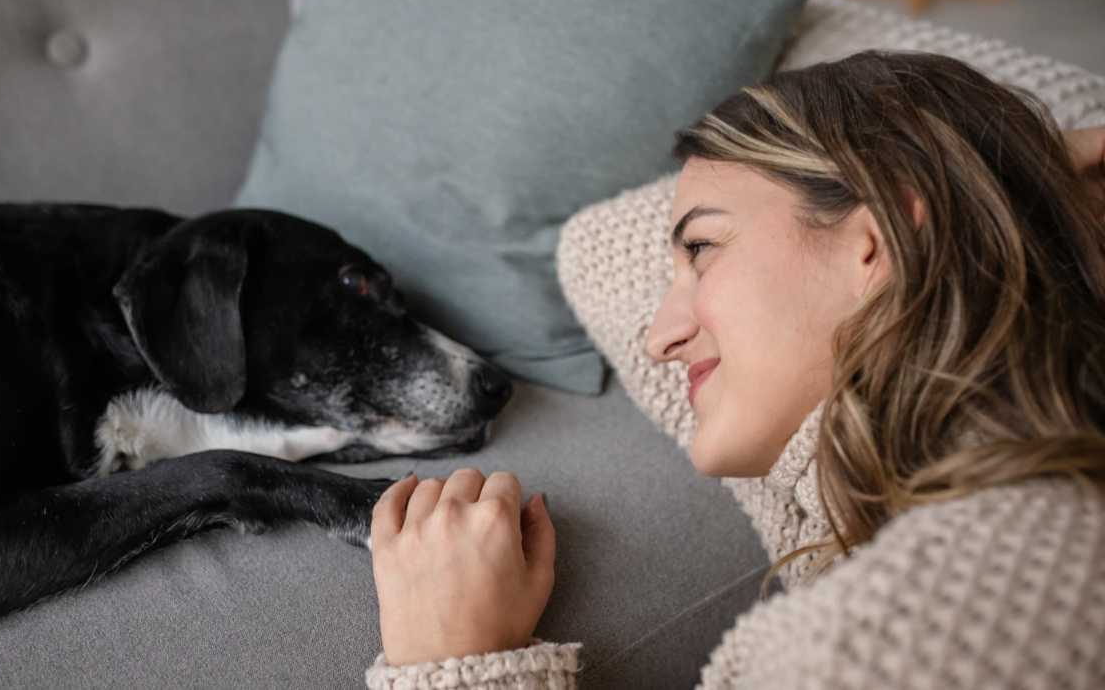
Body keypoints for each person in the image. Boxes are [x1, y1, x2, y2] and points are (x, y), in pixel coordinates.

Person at [363, 51, 1105, 689]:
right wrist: (1006, 176)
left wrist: (453, 663)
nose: (658, 337)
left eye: (702, 250)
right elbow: (597, 247)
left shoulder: (924, 629)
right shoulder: (890, 505)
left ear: (877, 243)